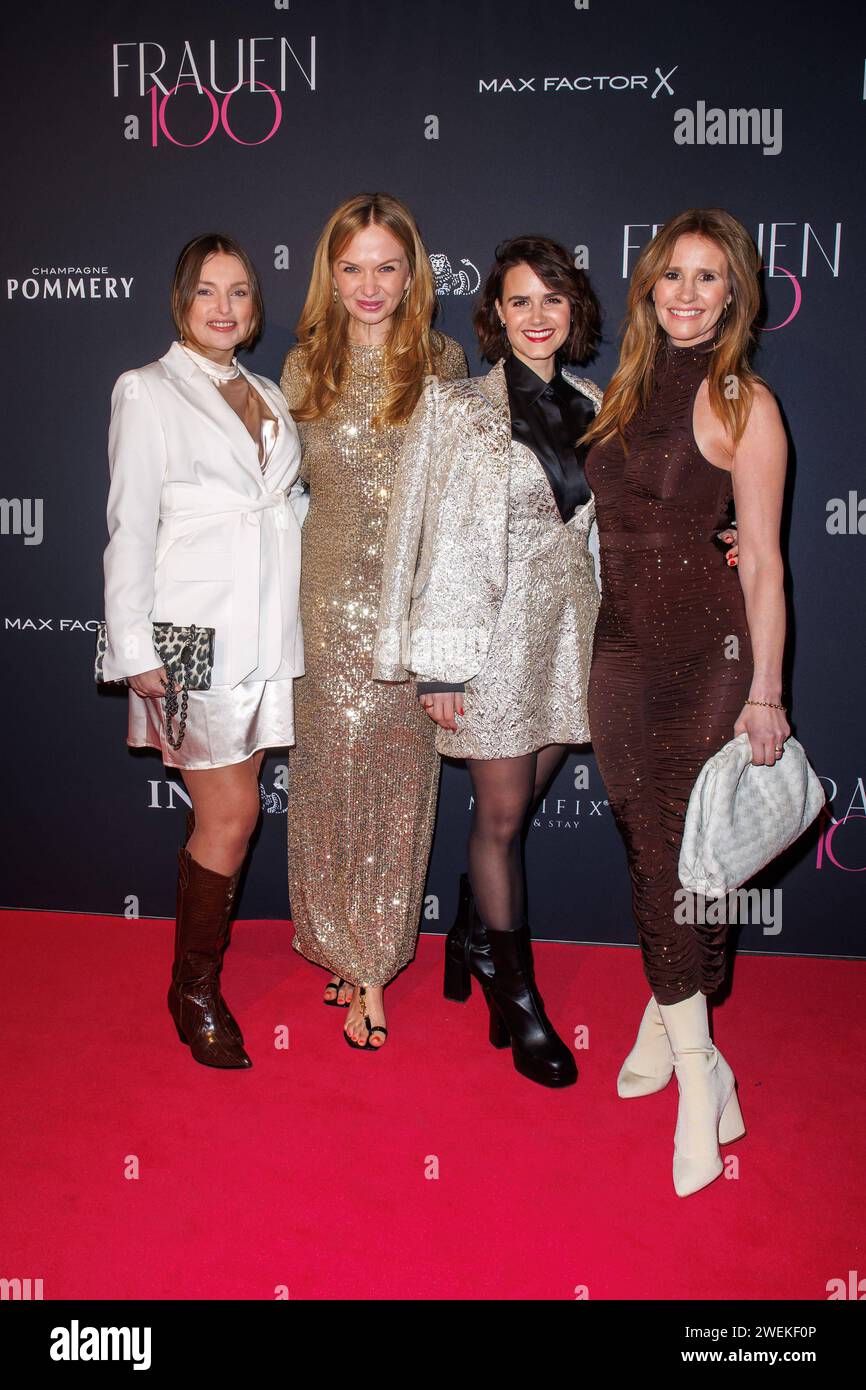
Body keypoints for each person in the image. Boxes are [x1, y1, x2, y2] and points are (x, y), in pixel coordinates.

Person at [582, 208, 789, 1194]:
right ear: (647, 285)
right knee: (654, 848)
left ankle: (700, 1079)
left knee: (674, 856)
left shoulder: (743, 399)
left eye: (708, 278)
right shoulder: (620, 388)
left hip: (706, 658)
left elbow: (762, 567)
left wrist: (764, 690)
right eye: (672, 274)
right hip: (616, 652)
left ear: (733, 296)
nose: (687, 293)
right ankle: (662, 1021)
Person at [374, 235, 602, 1087]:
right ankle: (520, 997)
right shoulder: (454, 406)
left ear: (572, 311)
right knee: (501, 820)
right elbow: (413, 537)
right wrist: (431, 665)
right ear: (495, 316)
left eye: (552, 299)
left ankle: (471, 937)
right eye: (519, 301)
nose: (537, 315)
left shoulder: (596, 399)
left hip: (569, 638)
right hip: (487, 640)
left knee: (526, 799)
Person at [102, 233, 307, 1070]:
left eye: (240, 293)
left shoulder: (266, 390)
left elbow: (285, 507)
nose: (224, 307)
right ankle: (193, 988)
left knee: (233, 808)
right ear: (181, 301)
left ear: (255, 308)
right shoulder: (147, 391)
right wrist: (131, 644)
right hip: (187, 636)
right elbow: (129, 524)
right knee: (233, 813)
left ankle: (194, 976)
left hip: (267, 634)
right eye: (207, 292)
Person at [280, 193, 467, 1050]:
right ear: (330, 273)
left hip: (407, 606)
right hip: (321, 600)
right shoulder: (299, 368)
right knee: (325, 778)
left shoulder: (442, 362)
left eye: (386, 266)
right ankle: (334, 942)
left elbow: (464, 503)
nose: (369, 283)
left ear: (411, 273)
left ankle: (373, 963)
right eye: (351, 266)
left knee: (397, 785)